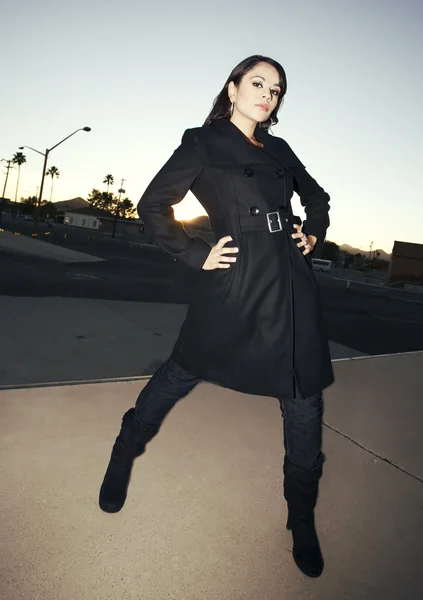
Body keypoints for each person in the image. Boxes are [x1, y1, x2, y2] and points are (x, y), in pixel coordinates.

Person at [99, 55, 334, 579]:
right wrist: (194, 252)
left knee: (304, 401)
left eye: (276, 89)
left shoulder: (279, 149)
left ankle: (301, 517)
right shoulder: (202, 142)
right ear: (232, 89)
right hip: (236, 281)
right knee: (179, 372)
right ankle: (124, 452)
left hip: (291, 284)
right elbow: (154, 204)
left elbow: (316, 197)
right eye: (257, 83)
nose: (267, 95)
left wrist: (311, 232)